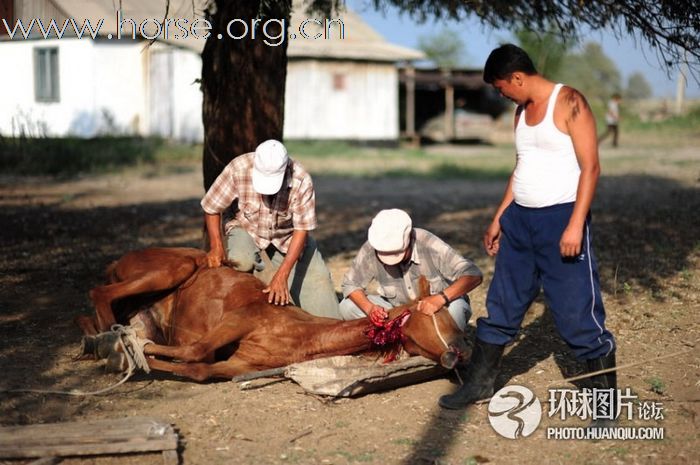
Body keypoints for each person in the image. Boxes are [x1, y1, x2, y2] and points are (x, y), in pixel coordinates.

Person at [438, 45, 617, 422]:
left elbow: (591, 168)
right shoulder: (520, 113)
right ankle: (479, 384)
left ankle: (604, 399)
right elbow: (522, 166)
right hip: (521, 221)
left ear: (518, 77)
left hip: (561, 220)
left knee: (575, 309)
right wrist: (500, 217)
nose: (502, 95)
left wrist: (574, 224)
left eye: (503, 87)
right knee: (503, 302)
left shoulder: (569, 101)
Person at [201, 139, 341, 319]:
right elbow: (211, 207)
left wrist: (282, 275)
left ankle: (276, 275)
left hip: (286, 237)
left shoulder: (301, 179)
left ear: (285, 170)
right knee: (241, 260)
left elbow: (301, 230)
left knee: (321, 291)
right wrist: (216, 246)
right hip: (246, 227)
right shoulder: (238, 167)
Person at [339, 209, 483, 331]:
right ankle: (401, 338)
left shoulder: (428, 242)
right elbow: (350, 284)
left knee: (456, 308)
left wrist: (441, 298)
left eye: (397, 253)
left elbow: (473, 274)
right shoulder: (373, 245)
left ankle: (445, 344)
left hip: (438, 309)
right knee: (347, 307)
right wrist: (370, 308)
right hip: (397, 311)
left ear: (409, 239)